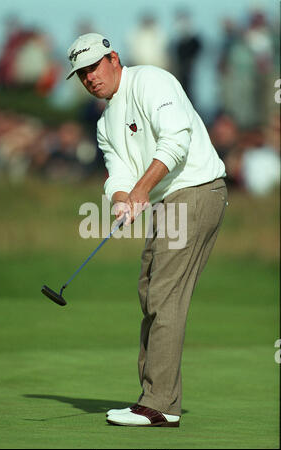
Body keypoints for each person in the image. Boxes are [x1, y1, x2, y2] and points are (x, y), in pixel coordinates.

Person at [66, 33, 227, 427]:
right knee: (150, 290)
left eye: (93, 68)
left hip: (196, 191)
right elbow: (117, 172)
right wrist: (123, 197)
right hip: (167, 202)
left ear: (113, 58)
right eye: (81, 74)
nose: (89, 78)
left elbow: (176, 140)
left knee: (165, 295)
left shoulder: (151, 80)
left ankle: (160, 405)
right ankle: (152, 398)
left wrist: (141, 190)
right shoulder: (106, 122)